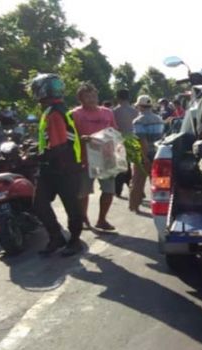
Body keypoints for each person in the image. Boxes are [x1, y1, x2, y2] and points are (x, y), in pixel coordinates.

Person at [29, 73, 84, 256]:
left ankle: (74, 242)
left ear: (41, 91)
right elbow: (51, 141)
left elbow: (59, 146)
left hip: (63, 168)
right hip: (52, 168)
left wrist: (36, 157)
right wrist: (36, 150)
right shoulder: (53, 111)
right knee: (39, 205)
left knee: (71, 208)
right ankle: (56, 237)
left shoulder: (55, 114)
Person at [71, 82, 119, 232]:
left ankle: (102, 219)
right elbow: (70, 137)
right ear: (81, 99)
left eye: (94, 95)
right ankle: (84, 219)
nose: (92, 98)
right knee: (83, 192)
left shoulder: (107, 112)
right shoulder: (75, 114)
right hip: (85, 159)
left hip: (106, 158)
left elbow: (114, 131)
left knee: (109, 191)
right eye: (87, 96)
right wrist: (81, 138)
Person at [129, 95, 165, 212]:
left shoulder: (138, 121)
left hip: (145, 154)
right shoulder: (159, 119)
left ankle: (134, 205)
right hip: (158, 153)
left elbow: (142, 140)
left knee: (138, 181)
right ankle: (161, 205)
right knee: (158, 182)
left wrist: (144, 157)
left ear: (140, 107)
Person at [112, 89, 139, 197]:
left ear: (118, 98)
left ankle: (118, 189)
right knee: (131, 165)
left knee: (120, 166)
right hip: (132, 140)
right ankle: (135, 188)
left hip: (119, 140)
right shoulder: (135, 111)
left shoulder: (115, 111)